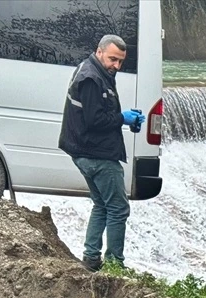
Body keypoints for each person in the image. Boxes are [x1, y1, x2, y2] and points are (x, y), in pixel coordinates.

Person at [58, 35, 146, 271]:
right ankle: (115, 263)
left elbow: (98, 112)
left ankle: (91, 258)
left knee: (101, 205)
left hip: (85, 151)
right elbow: (94, 120)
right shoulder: (91, 78)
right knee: (118, 208)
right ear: (99, 51)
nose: (116, 66)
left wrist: (126, 119)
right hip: (96, 154)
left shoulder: (93, 70)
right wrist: (122, 118)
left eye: (120, 62)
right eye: (112, 59)